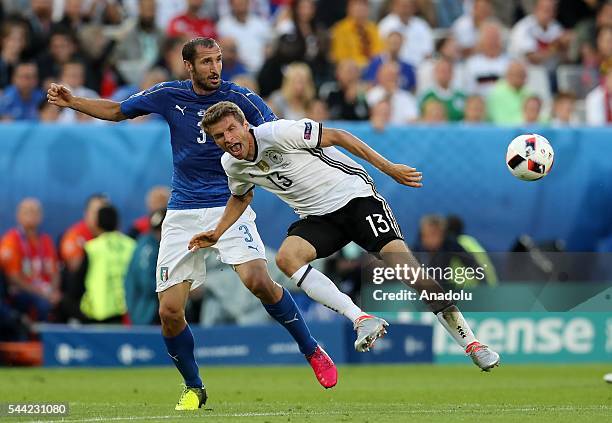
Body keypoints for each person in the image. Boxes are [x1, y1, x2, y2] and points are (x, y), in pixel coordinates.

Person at [47, 37, 339, 410]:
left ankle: (312, 349)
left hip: (228, 206)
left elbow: (277, 136)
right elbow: (119, 110)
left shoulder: (242, 100)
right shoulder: (169, 95)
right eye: (206, 61)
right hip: (183, 212)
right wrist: (73, 101)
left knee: (258, 283)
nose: (214, 67)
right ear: (189, 66)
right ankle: (193, 387)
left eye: (217, 60)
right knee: (169, 312)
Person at [191, 101, 501, 372]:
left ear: (245, 125)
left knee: (412, 274)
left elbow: (338, 135)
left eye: (232, 129)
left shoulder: (279, 133)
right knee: (287, 258)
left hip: (356, 200)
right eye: (219, 136)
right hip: (319, 218)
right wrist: (218, 232)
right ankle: (360, 318)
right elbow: (241, 196)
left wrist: (389, 168)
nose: (228, 139)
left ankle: (472, 344)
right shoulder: (231, 164)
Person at [0, 198, 60, 322]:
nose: (32, 215)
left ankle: (53, 338)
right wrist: (41, 293)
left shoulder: (46, 240)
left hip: (45, 290)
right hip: (22, 291)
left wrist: (53, 291)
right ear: (18, 216)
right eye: (27, 211)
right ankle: (37, 339)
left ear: (41, 216)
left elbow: (55, 273)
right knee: (41, 304)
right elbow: (13, 277)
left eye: (36, 212)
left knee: (63, 301)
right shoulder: (11, 241)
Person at [73, 205, 136, 323]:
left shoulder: (91, 248)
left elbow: (76, 286)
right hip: (128, 315)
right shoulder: (132, 246)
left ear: (96, 224)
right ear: (118, 224)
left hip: (100, 316)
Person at [125, 208, 166, 325]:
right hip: (146, 311)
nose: (159, 234)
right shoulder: (148, 247)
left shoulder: (155, 244)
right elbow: (147, 283)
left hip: (147, 309)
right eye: (157, 230)